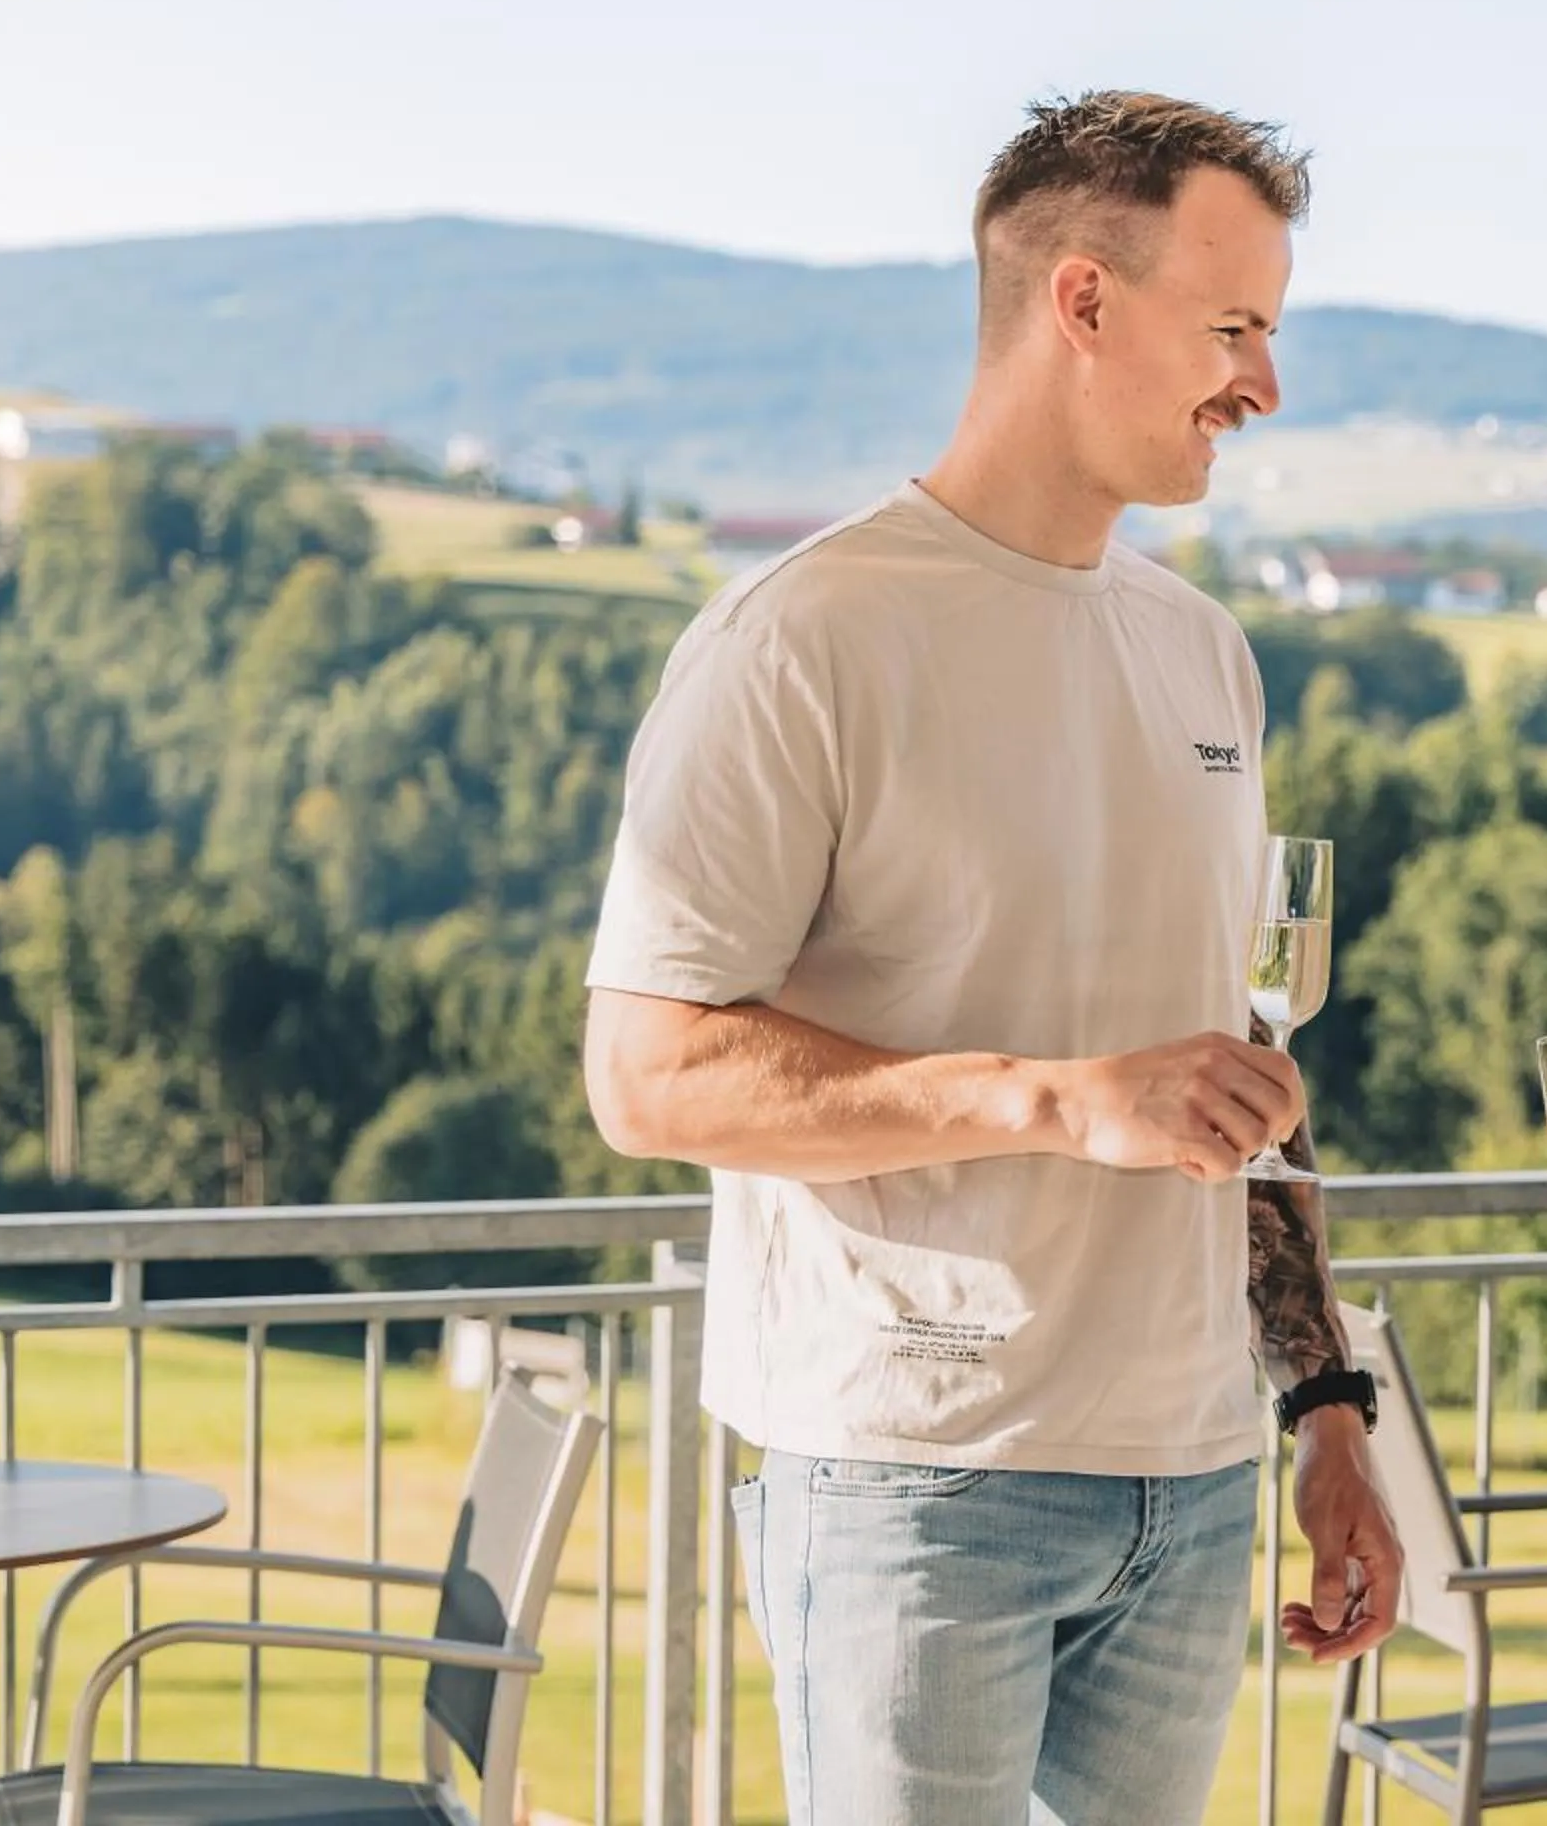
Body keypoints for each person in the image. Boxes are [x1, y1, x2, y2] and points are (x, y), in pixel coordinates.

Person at [582, 91, 1402, 1826]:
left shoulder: (1206, 657)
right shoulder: (802, 639)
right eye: (1236, 327)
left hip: (1189, 1481)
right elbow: (647, 1071)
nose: (1268, 384)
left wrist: (1325, 1402)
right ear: (1083, 302)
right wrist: (1053, 1099)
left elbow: (1235, 1065)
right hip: (915, 1486)